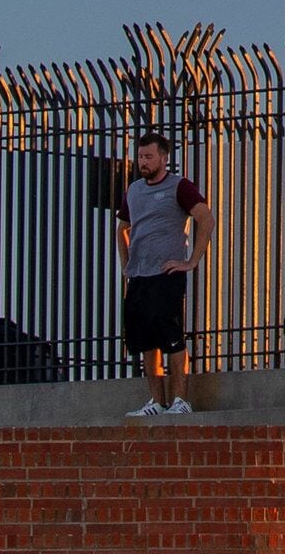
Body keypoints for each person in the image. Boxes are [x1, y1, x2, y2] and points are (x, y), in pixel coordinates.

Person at [116, 131, 211, 416]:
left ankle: (180, 400)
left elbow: (206, 218)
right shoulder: (133, 190)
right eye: (140, 156)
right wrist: (127, 264)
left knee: (171, 336)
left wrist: (192, 260)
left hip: (167, 273)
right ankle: (156, 402)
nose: (143, 162)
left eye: (149, 156)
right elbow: (121, 228)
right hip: (140, 276)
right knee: (145, 341)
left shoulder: (179, 186)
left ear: (164, 158)